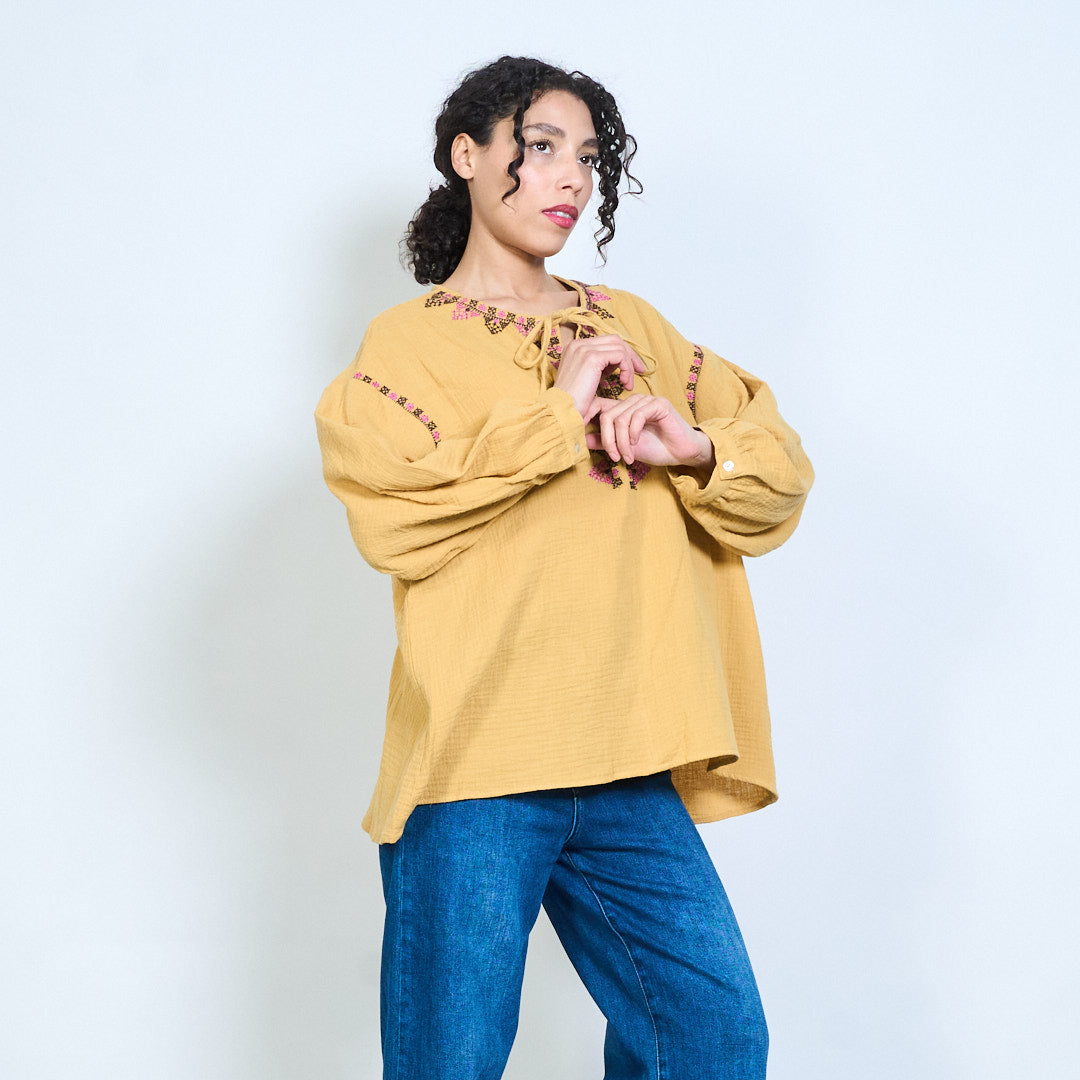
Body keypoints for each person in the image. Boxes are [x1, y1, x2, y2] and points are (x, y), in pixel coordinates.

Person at [315, 55, 813, 1080]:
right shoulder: (402, 350)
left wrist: (697, 449)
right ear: (467, 155)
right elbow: (395, 519)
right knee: (450, 1064)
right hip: (477, 770)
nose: (570, 178)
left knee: (714, 1041)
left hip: (631, 761)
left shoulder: (636, 329)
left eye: (587, 158)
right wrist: (555, 417)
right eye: (540, 148)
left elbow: (777, 473)